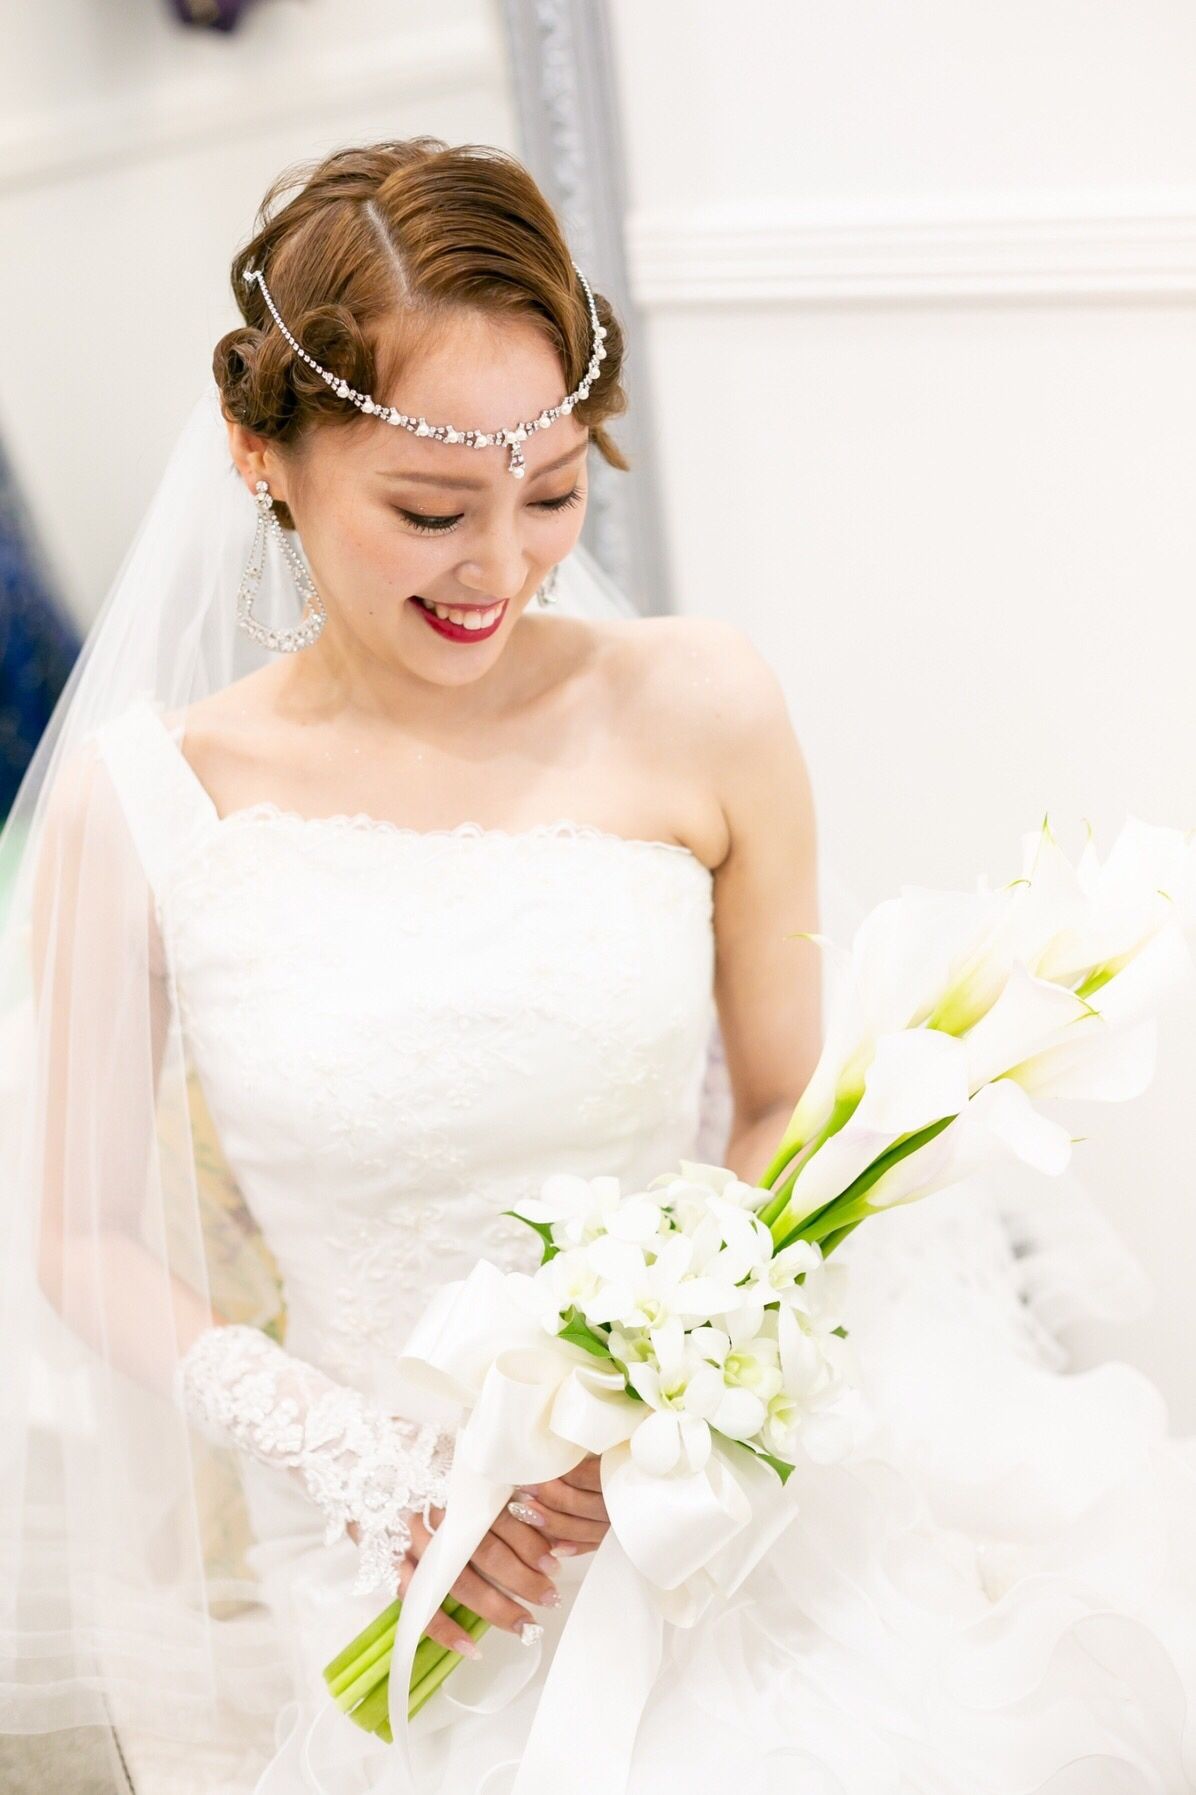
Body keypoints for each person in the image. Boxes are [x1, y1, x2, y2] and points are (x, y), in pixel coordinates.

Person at [1, 135, 1193, 1795]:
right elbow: (77, 1237)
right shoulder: (142, 807)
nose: (501, 567)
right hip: (397, 1559)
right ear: (261, 454)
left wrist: (668, 1380)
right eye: (430, 511)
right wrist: (368, 1466)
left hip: (709, 1499)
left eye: (554, 494)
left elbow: (781, 1103)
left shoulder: (701, 706)